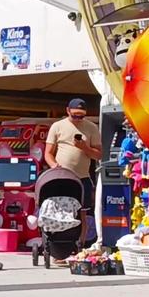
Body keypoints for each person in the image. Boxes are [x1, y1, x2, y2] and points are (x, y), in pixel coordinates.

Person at [45, 98, 102, 247]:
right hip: (62, 176)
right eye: (75, 115)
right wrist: (54, 166)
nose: (78, 119)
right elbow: (48, 153)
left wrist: (84, 147)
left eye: (81, 116)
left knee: (82, 213)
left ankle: (80, 245)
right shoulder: (57, 126)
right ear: (67, 111)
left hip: (82, 177)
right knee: (59, 211)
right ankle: (57, 245)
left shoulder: (91, 127)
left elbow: (98, 155)